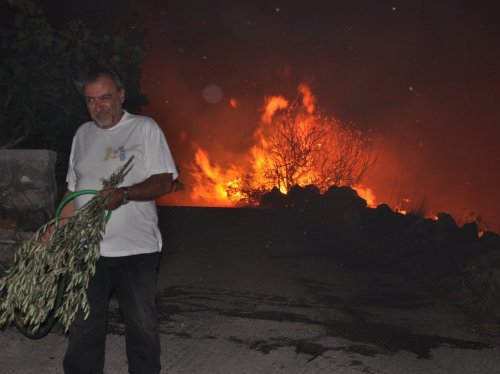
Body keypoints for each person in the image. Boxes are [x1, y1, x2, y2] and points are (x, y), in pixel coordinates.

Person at [61, 67, 178, 374]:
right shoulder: (82, 135)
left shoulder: (144, 128)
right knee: (84, 327)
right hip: (88, 252)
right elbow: (74, 191)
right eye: (90, 100)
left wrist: (124, 194)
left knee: (141, 328)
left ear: (121, 96)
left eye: (105, 98)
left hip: (136, 251)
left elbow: (165, 181)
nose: (97, 107)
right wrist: (57, 231)